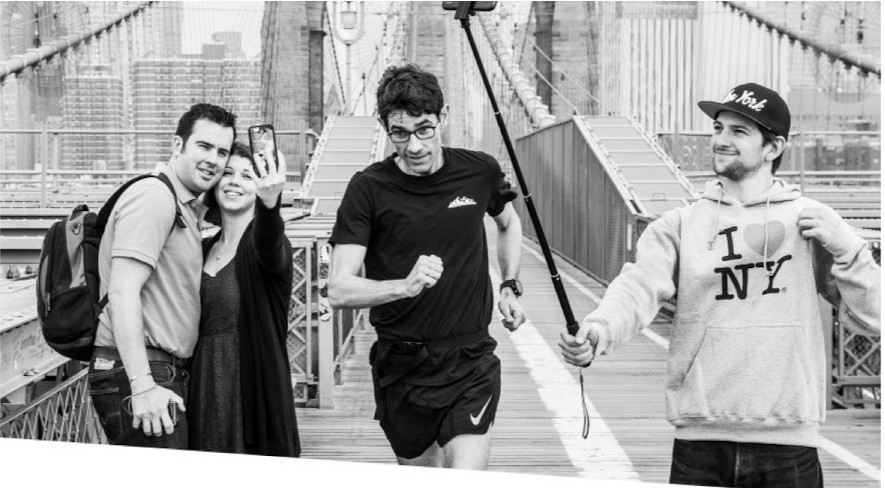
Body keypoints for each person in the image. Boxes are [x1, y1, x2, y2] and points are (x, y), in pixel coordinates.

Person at [559, 82, 880, 487]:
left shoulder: (812, 222)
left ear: (773, 147)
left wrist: (849, 246)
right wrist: (600, 328)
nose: (721, 140)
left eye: (738, 131)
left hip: (789, 441)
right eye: (717, 128)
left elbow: (874, 318)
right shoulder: (679, 225)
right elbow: (638, 286)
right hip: (700, 441)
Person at [327, 64, 527, 469]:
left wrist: (509, 284)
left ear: (443, 117)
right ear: (385, 127)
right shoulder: (368, 188)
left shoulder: (480, 170)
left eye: (424, 129)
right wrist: (403, 286)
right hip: (402, 365)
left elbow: (509, 223)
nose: (414, 145)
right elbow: (338, 288)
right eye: (400, 133)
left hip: (470, 359)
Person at [88, 103, 237, 448]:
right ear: (177, 145)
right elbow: (123, 292)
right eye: (204, 146)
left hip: (155, 371)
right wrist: (142, 385)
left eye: (222, 152)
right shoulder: (154, 197)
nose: (213, 160)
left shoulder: (181, 204)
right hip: (141, 374)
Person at [187, 141, 300, 457]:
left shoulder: (266, 246)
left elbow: (269, 243)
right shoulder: (201, 248)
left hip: (248, 389)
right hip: (201, 385)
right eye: (228, 173)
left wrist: (270, 204)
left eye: (247, 176)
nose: (234, 181)